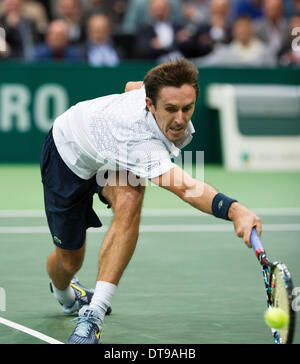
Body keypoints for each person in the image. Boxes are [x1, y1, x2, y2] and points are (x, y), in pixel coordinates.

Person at [40, 58, 262, 344]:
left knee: (132, 197)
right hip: (68, 154)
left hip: (110, 156)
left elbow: (131, 86)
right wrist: (235, 210)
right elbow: (186, 188)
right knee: (70, 261)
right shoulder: (139, 143)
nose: (180, 119)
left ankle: (94, 313)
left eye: (187, 108)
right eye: (170, 109)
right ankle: (66, 296)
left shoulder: (154, 92)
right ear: (150, 103)